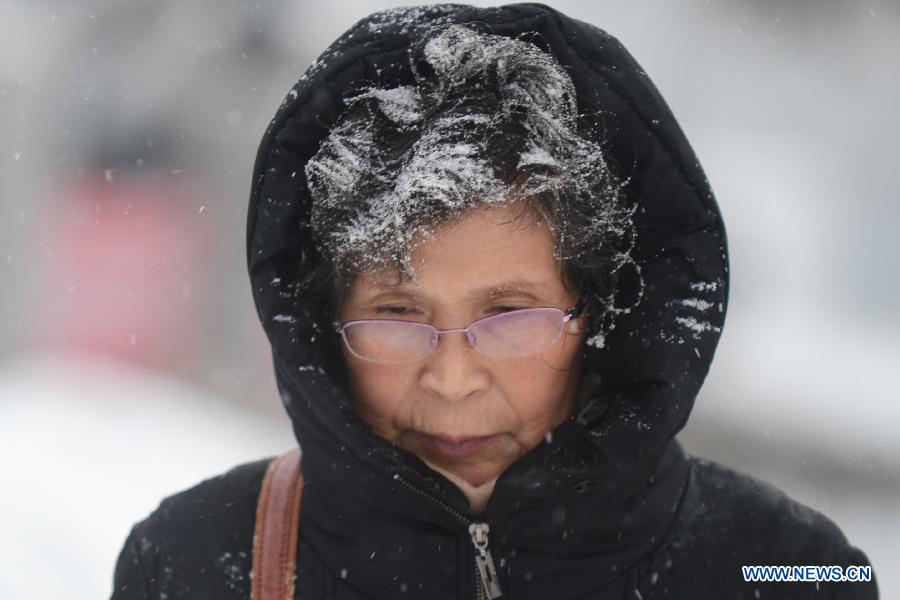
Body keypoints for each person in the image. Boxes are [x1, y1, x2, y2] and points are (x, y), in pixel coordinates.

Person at [111, 4, 878, 599]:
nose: (451, 379)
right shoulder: (192, 563)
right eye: (397, 315)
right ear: (320, 323)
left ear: (598, 315)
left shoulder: (790, 569)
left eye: (510, 315)